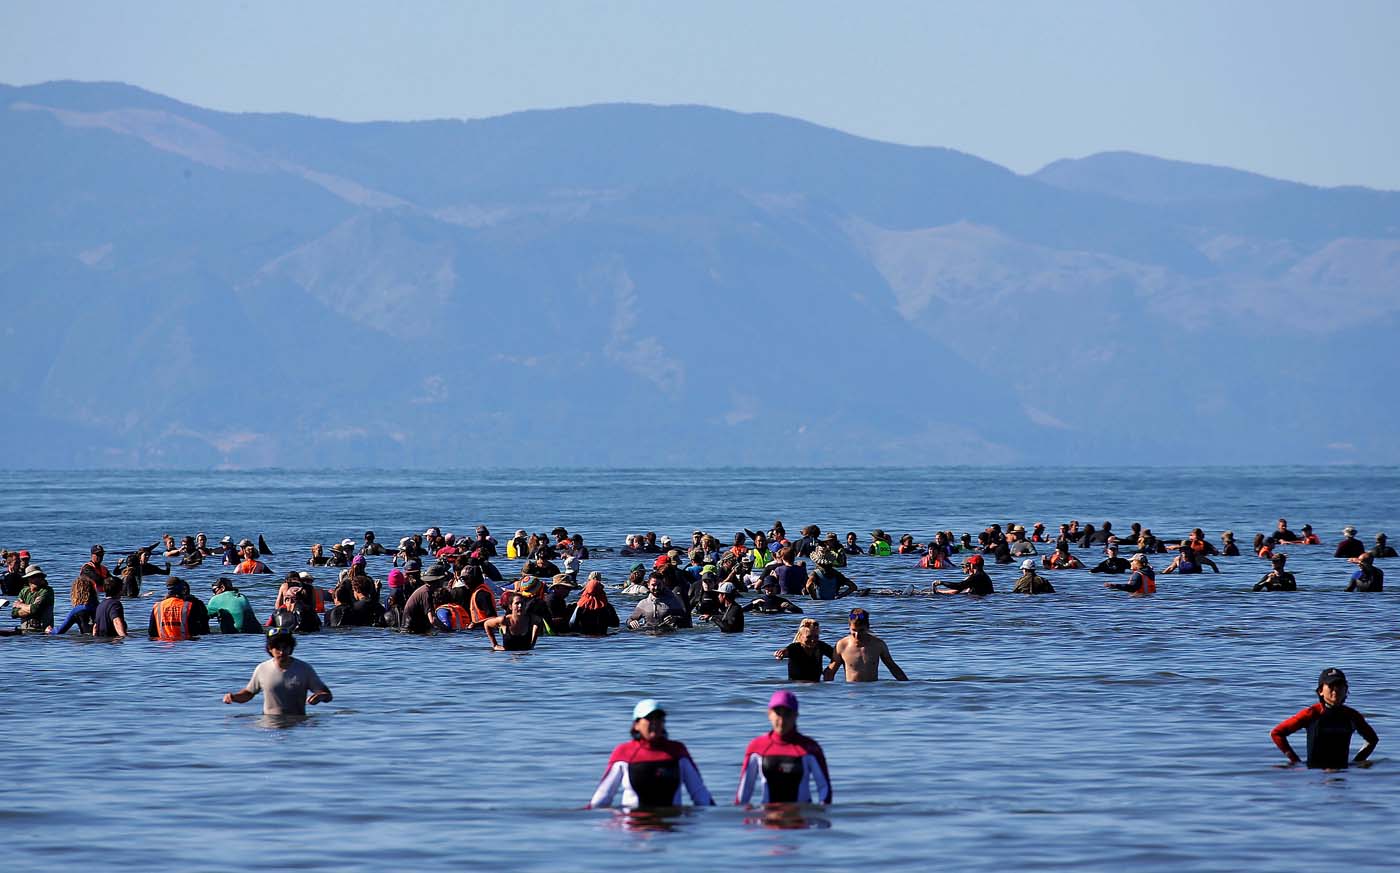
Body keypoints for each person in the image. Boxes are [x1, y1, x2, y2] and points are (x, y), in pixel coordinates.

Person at [588, 699, 714, 809]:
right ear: (636, 725)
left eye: (659, 719)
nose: (655, 723)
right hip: (634, 830)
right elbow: (603, 797)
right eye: (649, 718)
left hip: (671, 828)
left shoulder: (677, 751)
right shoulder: (624, 752)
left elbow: (699, 794)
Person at [735, 690, 832, 805]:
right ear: (769, 714)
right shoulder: (757, 747)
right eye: (778, 713)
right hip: (768, 818)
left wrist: (820, 818)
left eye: (787, 713)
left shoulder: (810, 748)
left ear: (796, 715)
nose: (781, 720)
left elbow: (824, 788)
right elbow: (744, 793)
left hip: (800, 818)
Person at [1270, 668, 1377, 769]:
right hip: (1315, 774)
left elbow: (1372, 739)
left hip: (1342, 773)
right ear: (1321, 691)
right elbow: (1277, 733)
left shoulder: (1352, 716)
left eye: (1339, 686)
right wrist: (1295, 762)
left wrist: (1356, 763)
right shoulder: (1312, 713)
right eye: (1331, 686)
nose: (1335, 691)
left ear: (1346, 690)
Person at [223, 630, 332, 716]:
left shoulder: (303, 669)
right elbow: (248, 694)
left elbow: (327, 695)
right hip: (269, 723)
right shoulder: (262, 669)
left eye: (285, 647)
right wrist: (234, 697)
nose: (281, 652)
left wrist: (319, 697)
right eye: (277, 648)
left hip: (297, 724)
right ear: (270, 649)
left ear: (291, 648)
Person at [824, 608, 908, 682]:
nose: (857, 634)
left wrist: (907, 685)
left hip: (872, 692)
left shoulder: (878, 644)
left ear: (868, 627)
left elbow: (893, 667)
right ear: (849, 627)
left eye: (861, 630)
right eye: (854, 630)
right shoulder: (842, 645)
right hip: (851, 693)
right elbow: (830, 672)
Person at [627, 574, 692, 630]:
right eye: (653, 585)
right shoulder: (643, 603)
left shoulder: (672, 601)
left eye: (659, 584)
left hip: (668, 637)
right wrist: (631, 622)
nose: (656, 587)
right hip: (648, 637)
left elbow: (686, 620)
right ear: (648, 585)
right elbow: (630, 619)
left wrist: (675, 619)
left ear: (663, 585)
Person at [12, 565, 55, 633]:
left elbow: (35, 609)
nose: (37, 579)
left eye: (39, 576)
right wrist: (30, 609)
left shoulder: (47, 591)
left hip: (42, 632)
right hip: (25, 632)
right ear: (28, 579)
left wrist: (20, 605)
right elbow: (14, 613)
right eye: (34, 577)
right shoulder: (24, 591)